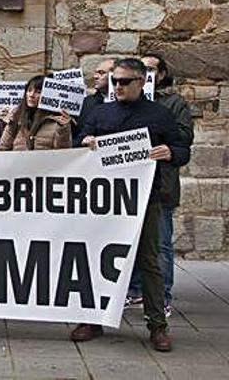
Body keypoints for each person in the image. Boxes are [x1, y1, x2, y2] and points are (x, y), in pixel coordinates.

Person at [73, 58, 190, 352]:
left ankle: (156, 325)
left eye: (125, 81)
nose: (118, 87)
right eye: (115, 81)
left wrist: (169, 152)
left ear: (141, 82)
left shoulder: (159, 115)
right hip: (103, 199)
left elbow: (182, 149)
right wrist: (86, 140)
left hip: (143, 199)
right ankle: (92, 317)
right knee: (96, 256)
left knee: (149, 261)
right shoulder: (100, 112)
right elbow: (77, 143)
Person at [126, 54, 194, 316]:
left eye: (151, 70)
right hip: (129, 185)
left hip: (160, 185)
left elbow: (183, 139)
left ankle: (162, 295)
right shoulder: (124, 103)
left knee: (161, 243)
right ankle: (134, 290)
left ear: (161, 75)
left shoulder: (173, 104)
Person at [0, 75, 72, 151]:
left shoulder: (57, 122)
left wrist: (63, 129)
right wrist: (11, 123)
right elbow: (2, 149)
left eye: (38, 92)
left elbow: (63, 153)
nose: (31, 95)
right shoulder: (17, 118)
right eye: (29, 90)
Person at [74, 57, 115, 144]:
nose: (95, 77)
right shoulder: (86, 103)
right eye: (96, 73)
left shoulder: (128, 102)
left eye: (101, 73)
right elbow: (77, 136)